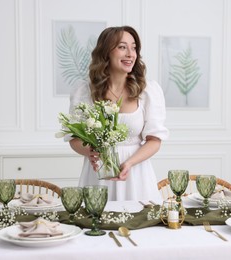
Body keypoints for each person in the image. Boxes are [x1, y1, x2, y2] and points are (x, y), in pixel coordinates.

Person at [67, 25, 169, 201]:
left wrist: (129, 163)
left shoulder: (148, 91)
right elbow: (74, 139)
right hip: (98, 176)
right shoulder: (84, 90)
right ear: (106, 52)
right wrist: (91, 152)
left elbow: (154, 140)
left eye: (134, 47)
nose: (131, 53)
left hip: (136, 176)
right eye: (122, 47)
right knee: (96, 225)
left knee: (139, 224)